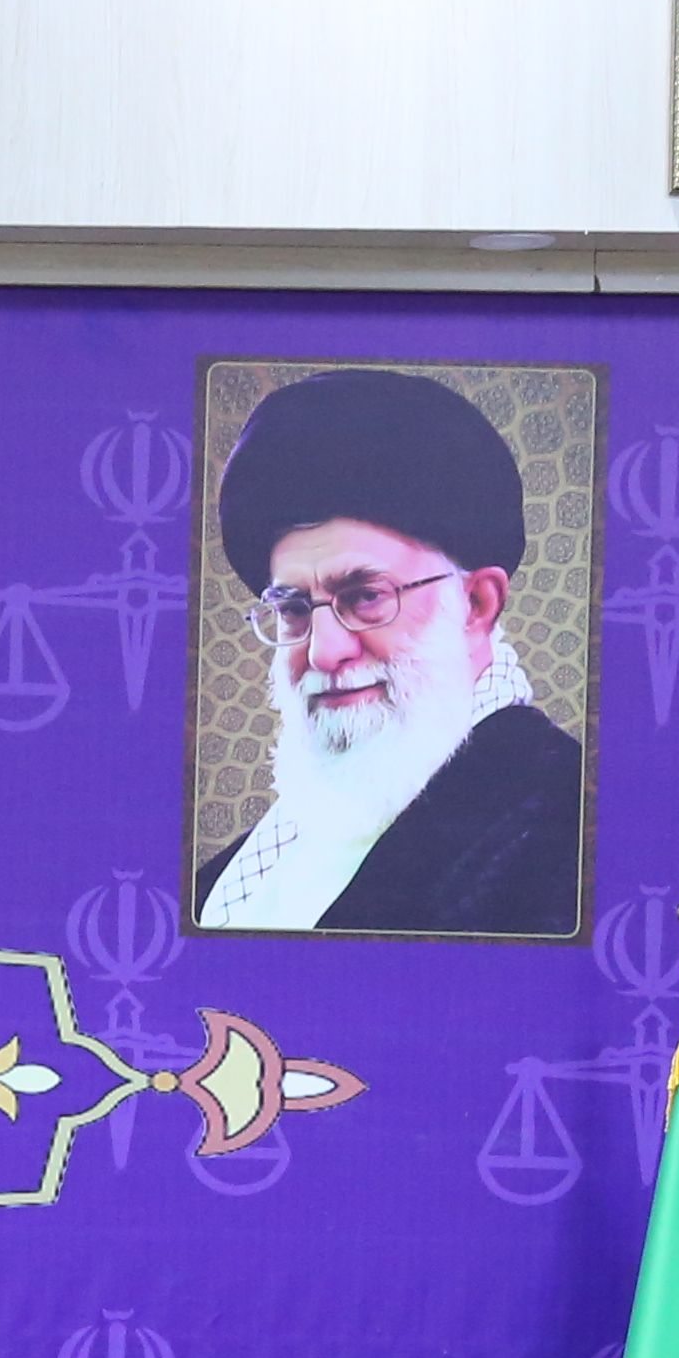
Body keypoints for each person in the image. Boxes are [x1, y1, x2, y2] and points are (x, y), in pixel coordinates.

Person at [192, 367, 586, 942]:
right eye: (295, 608)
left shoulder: (565, 829)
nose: (324, 651)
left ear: (476, 604)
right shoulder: (227, 880)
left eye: (366, 597)